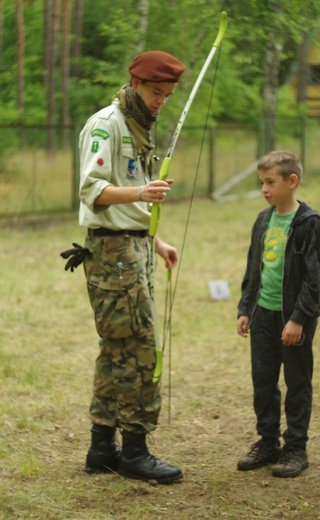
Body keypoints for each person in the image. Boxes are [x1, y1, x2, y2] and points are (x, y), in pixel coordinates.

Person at [77, 50, 185, 484]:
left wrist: (154, 242)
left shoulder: (138, 125)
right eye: (157, 92)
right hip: (113, 256)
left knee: (115, 349)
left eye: (169, 95)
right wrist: (141, 193)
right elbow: (94, 190)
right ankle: (136, 452)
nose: (162, 101)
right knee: (140, 350)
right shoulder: (108, 124)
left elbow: (124, 202)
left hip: (131, 248)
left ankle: (102, 447)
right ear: (136, 83)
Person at [236, 150, 320, 478]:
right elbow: (253, 268)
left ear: (292, 181)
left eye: (270, 182)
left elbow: (313, 277)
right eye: (261, 182)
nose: (264, 189)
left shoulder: (309, 223)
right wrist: (246, 309)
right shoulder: (263, 219)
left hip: (293, 320)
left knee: (297, 381)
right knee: (263, 380)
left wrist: (299, 318)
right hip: (263, 314)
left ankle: (296, 447)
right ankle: (267, 441)